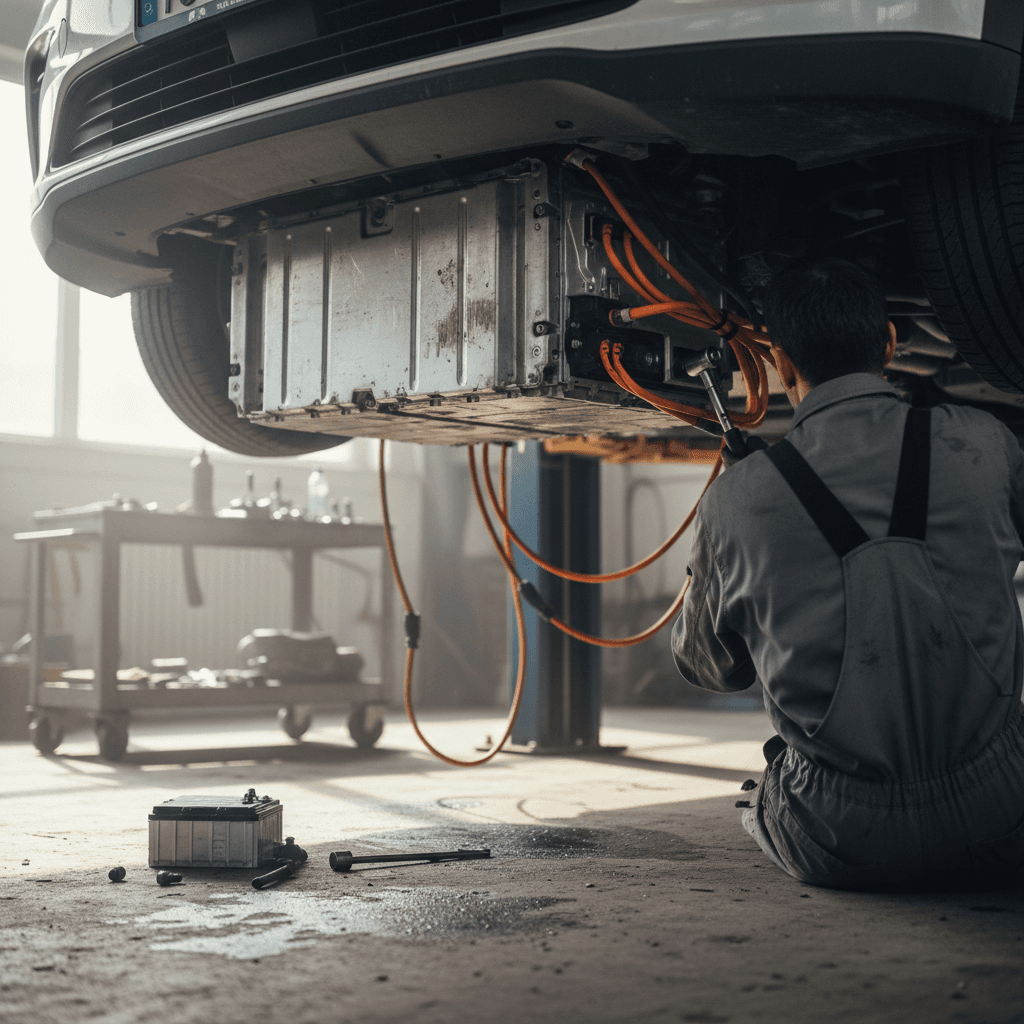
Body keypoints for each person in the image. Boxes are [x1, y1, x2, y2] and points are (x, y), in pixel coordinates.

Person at [671, 257, 1024, 888]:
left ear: (780, 363)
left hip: (839, 837)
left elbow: (710, 667)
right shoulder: (986, 440)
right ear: (890, 342)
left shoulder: (736, 499)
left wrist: (732, 537)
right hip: (1004, 815)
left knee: (773, 774)